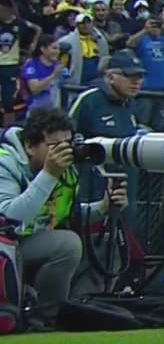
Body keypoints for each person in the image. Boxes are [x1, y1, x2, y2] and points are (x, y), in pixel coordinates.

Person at [0, 107, 128, 327]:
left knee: (109, 244)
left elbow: (63, 215)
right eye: (55, 146)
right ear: (29, 146)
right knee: (68, 244)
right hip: (6, 250)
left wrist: (102, 208)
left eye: (68, 144)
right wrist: (49, 175)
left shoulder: (64, 170)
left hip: (32, 244)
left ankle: (81, 311)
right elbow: (9, 216)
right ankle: (46, 319)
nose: (64, 152)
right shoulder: (5, 162)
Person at [67, 50, 144, 225]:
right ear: (110, 77)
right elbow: (66, 138)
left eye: (139, 77)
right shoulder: (89, 100)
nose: (136, 82)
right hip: (91, 188)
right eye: (130, 76)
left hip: (124, 187)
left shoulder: (131, 104)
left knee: (124, 233)